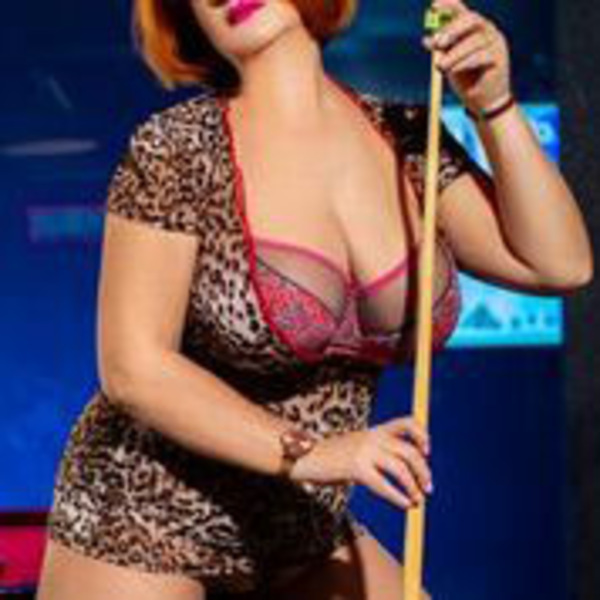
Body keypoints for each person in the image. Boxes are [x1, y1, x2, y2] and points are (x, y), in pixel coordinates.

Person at [36, 0, 593, 598]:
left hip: (298, 525)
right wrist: (318, 452)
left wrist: (493, 106)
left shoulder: (407, 139)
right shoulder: (175, 148)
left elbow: (558, 264)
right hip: (143, 517)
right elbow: (134, 369)